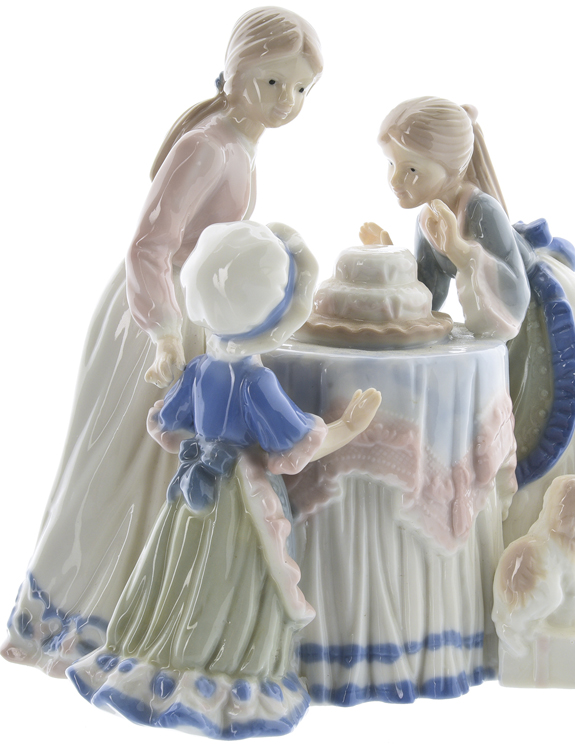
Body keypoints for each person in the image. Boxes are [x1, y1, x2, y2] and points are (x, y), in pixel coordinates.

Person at [1, 7, 324, 676]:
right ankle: (75, 612)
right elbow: (149, 246)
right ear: (235, 73)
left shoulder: (238, 143)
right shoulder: (207, 146)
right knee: (121, 464)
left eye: (299, 88)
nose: (286, 101)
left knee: (161, 470)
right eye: (272, 82)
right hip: (155, 318)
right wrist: (167, 335)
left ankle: (141, 610)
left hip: (193, 311)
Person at [362, 96, 575, 626]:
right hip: (511, 330)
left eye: (411, 169)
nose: (397, 180)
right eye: (393, 165)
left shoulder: (478, 210)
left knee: (543, 438)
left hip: (543, 320)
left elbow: (509, 301)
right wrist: (391, 259)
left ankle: (572, 560)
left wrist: (463, 252)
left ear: (452, 167)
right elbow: (428, 294)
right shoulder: (430, 216)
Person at [67, 221, 381, 739]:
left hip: (191, 493)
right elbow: (297, 444)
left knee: (178, 571)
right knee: (236, 578)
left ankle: (163, 655)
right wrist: (348, 426)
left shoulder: (199, 369)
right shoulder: (257, 382)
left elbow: (169, 421)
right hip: (239, 496)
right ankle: (227, 670)